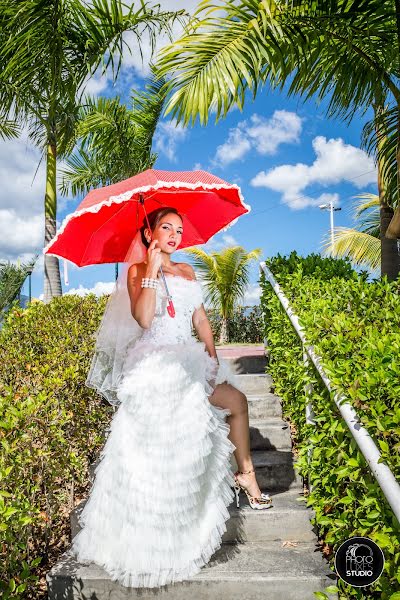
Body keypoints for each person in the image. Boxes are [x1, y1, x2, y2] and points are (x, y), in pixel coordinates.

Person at [71, 206, 272, 589]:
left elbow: (199, 319)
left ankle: (246, 475)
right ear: (150, 233)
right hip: (156, 366)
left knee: (237, 403)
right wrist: (149, 269)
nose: (175, 235)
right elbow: (145, 320)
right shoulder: (135, 272)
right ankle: (161, 529)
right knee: (167, 446)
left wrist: (213, 355)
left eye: (179, 230)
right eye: (166, 228)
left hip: (193, 361)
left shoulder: (187, 271)